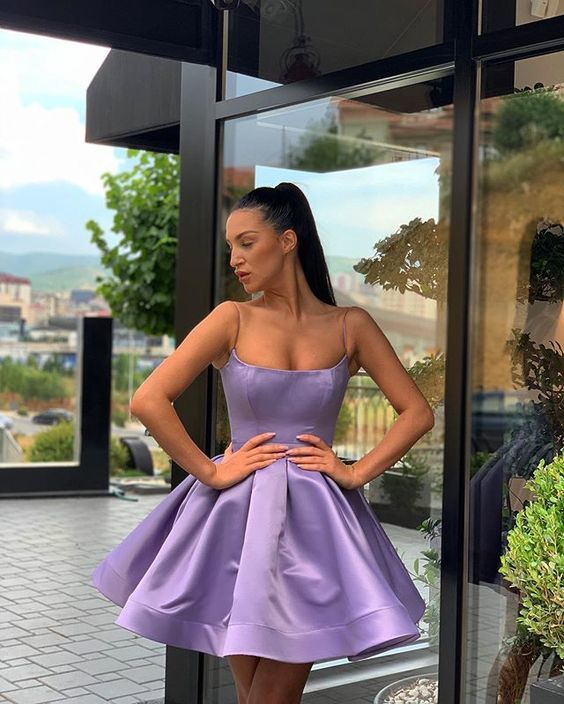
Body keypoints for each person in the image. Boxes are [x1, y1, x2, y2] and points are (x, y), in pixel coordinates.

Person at [91, 182, 435, 704]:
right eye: (231, 246)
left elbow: (417, 413)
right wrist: (210, 472)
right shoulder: (231, 317)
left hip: (313, 524)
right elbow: (149, 400)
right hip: (237, 519)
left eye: (247, 243)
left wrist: (355, 472)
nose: (235, 259)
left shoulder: (351, 326)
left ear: (288, 241)